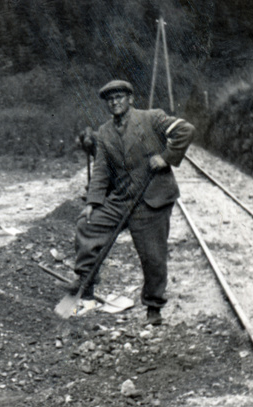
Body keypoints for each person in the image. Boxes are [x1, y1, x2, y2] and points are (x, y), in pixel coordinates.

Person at [71, 80, 195, 325]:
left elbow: (186, 130)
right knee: (88, 225)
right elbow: (102, 170)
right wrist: (93, 202)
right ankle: (85, 284)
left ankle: (153, 308)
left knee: (152, 256)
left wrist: (166, 157)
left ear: (130, 99)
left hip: (152, 199)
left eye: (120, 97)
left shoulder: (152, 118)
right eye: (110, 99)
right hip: (121, 198)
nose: (115, 102)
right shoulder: (105, 131)